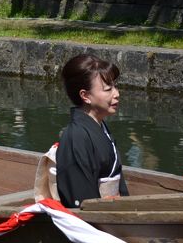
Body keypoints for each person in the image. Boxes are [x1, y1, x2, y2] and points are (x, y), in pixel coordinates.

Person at [55, 54, 129, 209]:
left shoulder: (100, 127)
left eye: (114, 86)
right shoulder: (76, 136)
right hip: (97, 222)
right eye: (108, 89)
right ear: (85, 96)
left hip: (114, 213)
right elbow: (82, 202)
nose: (116, 93)